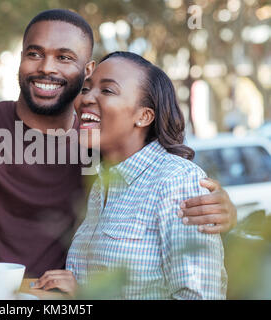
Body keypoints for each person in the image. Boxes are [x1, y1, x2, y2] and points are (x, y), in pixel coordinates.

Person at [0, 9, 236, 278]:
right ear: (21, 60)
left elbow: (163, 194)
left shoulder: (101, 142)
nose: (46, 67)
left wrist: (223, 212)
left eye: (64, 57)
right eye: (34, 53)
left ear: (88, 70)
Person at [33, 52, 227, 299]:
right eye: (86, 88)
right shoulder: (102, 185)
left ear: (144, 116)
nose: (85, 99)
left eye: (108, 91)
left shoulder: (177, 181)